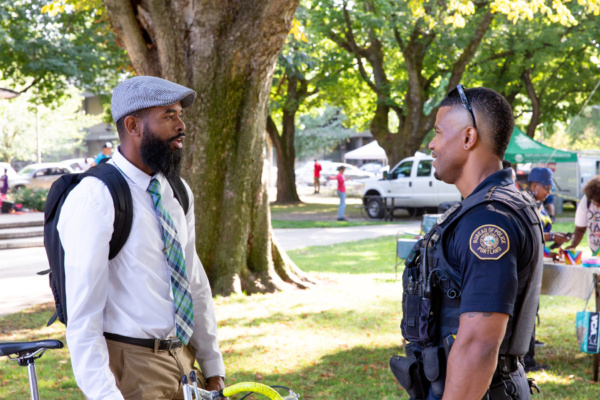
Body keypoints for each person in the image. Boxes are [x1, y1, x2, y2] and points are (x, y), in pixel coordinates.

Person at [57, 76, 225, 400]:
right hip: (131, 367)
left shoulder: (177, 190)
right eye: (169, 116)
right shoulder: (95, 197)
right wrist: (105, 394)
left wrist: (213, 367)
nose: (181, 126)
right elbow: (84, 316)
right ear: (133, 125)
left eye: (180, 115)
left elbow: (194, 281)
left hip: (185, 362)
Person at [393, 85, 543, 400]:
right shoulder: (493, 207)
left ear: (468, 137)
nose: (431, 144)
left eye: (438, 132)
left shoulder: (488, 220)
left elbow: (479, 344)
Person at [522, 167, 570, 372]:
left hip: (535, 263)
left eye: (551, 188)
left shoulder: (538, 205)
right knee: (526, 313)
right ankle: (526, 361)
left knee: (531, 312)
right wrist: (551, 237)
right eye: (546, 188)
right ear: (534, 185)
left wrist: (550, 251)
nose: (549, 192)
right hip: (524, 268)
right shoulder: (524, 203)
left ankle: (529, 357)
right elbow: (529, 231)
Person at [566, 175, 600, 255]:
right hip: (595, 250)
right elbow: (580, 228)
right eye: (595, 202)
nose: (597, 206)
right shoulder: (586, 201)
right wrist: (573, 245)